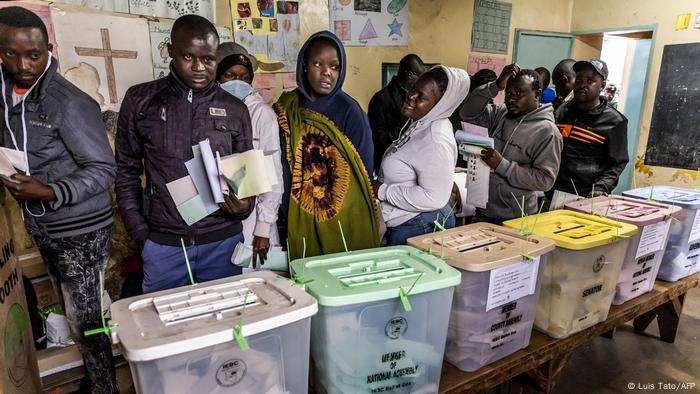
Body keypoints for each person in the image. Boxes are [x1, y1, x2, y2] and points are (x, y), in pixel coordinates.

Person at [0, 7, 118, 393]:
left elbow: (104, 170)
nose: (23, 64)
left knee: (88, 320)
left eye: (33, 55)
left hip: (82, 229)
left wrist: (50, 191)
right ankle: (94, 378)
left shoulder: (67, 103)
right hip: (42, 223)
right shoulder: (7, 94)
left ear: (47, 49)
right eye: (10, 53)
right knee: (71, 311)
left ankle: (105, 387)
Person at [115, 15, 254, 292]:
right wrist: (141, 233)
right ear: (170, 52)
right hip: (164, 245)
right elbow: (126, 170)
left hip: (221, 242)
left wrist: (245, 207)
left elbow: (246, 176)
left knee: (223, 324)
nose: (199, 67)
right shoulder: (141, 101)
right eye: (188, 57)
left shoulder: (235, 109)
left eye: (209, 59)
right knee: (166, 329)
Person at [273, 31, 378, 259]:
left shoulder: (350, 111)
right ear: (304, 66)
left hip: (341, 215)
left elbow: (363, 173)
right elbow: (279, 160)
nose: (326, 73)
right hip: (295, 211)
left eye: (335, 66)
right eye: (317, 64)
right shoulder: (288, 106)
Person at [376, 66, 469, 245]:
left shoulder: (436, 140)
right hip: (405, 220)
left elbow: (434, 197)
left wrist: (382, 190)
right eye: (413, 89)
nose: (411, 96)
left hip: (417, 225)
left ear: (439, 105)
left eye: (421, 96)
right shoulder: (419, 123)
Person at [459, 65, 563, 222]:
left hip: (517, 218)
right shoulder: (501, 113)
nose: (511, 98)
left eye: (519, 93)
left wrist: (502, 165)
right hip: (483, 210)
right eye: (508, 93)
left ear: (537, 94)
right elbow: (467, 113)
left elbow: (545, 180)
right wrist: (496, 85)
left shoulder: (547, 132)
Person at [216, 42, 283, 266]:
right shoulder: (209, 112)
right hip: (218, 220)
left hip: (254, 222)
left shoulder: (262, 115)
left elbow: (273, 177)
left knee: (255, 283)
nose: (237, 82)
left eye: (244, 78)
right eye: (229, 75)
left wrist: (263, 228)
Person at [551, 59, 628, 197]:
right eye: (579, 79)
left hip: (585, 196)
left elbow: (617, 163)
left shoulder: (615, 121)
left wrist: (601, 186)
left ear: (602, 85)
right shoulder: (562, 111)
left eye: (590, 80)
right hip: (551, 192)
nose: (582, 85)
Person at [368, 54, 426, 172]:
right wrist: (400, 140)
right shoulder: (382, 99)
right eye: (419, 77)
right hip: (387, 162)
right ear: (410, 75)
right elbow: (375, 133)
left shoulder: (414, 97)